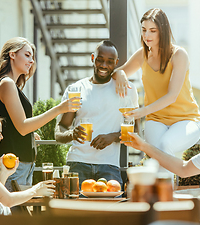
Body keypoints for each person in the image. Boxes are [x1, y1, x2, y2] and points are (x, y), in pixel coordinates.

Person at [112, 8, 200, 172]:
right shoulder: (142, 55)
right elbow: (118, 72)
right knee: (155, 158)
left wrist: (141, 112)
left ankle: (165, 196)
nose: (147, 36)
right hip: (156, 120)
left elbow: (172, 96)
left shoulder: (179, 55)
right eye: (144, 30)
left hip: (186, 119)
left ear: (163, 31)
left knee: (165, 145)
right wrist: (122, 75)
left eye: (153, 30)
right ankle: (162, 194)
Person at [0, 37, 79, 190]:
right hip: (12, 168)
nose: (31, 61)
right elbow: (23, 127)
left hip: (17, 166)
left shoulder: (10, 85)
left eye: (32, 57)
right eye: (27, 55)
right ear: (12, 55)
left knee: (16, 212)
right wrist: (59, 109)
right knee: (13, 213)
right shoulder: (7, 84)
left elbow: (15, 126)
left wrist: (30, 135)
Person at [55, 40, 139, 187]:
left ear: (116, 62)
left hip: (109, 166)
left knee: (112, 208)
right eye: (100, 60)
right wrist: (72, 134)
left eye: (110, 62)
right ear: (93, 58)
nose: (104, 66)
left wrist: (112, 137)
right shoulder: (76, 89)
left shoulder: (127, 90)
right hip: (77, 163)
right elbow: (60, 130)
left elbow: (135, 131)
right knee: (75, 209)